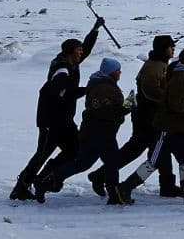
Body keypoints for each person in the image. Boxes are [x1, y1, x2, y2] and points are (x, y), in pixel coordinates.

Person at [10, 17, 104, 202]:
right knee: (42, 154)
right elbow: (65, 93)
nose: (81, 53)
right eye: (78, 50)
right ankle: (21, 187)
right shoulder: (62, 70)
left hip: (64, 120)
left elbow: (87, 47)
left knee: (74, 151)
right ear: (70, 52)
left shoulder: (71, 61)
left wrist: (94, 30)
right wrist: (88, 90)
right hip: (51, 121)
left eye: (81, 50)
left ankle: (44, 177)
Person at [119, 44, 184, 205]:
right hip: (167, 128)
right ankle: (125, 187)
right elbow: (176, 105)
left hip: (179, 128)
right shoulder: (181, 77)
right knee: (154, 161)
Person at [35, 57, 133, 204]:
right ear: (110, 72)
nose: (120, 73)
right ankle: (46, 181)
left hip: (100, 131)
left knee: (92, 162)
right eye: (117, 70)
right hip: (99, 132)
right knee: (92, 163)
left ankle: (113, 194)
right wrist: (127, 107)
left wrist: (124, 107)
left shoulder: (103, 84)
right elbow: (105, 111)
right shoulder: (103, 88)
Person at [95, 34, 178, 199]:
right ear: (163, 49)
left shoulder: (159, 64)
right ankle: (102, 175)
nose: (173, 49)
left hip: (149, 115)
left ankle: (167, 185)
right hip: (148, 117)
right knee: (145, 150)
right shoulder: (154, 66)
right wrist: (169, 100)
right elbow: (151, 91)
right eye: (170, 47)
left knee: (154, 149)